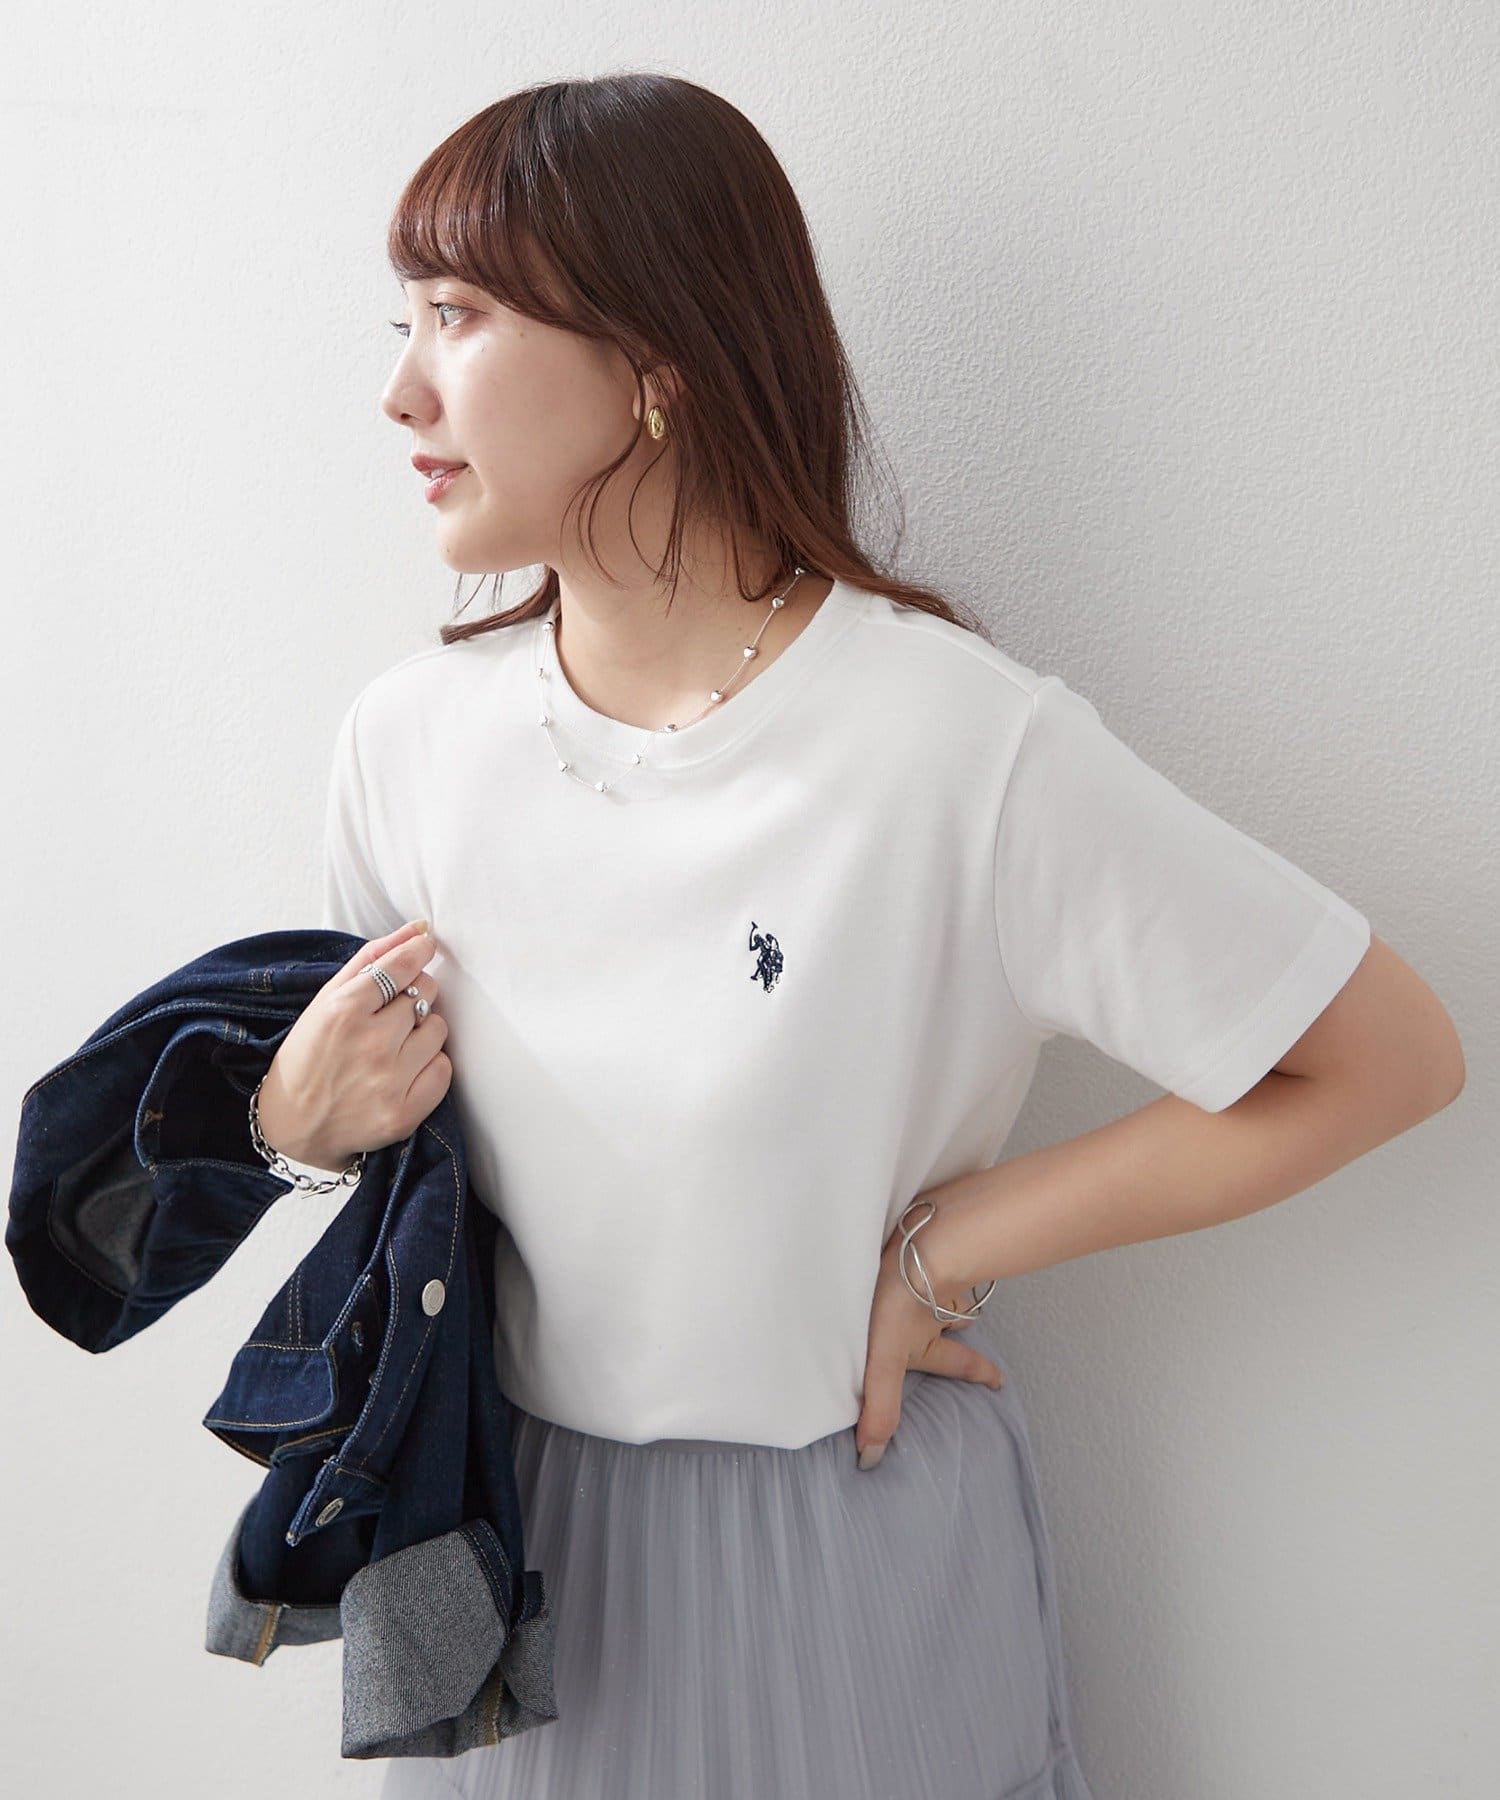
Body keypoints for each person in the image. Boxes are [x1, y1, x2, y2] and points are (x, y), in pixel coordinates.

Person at [256, 74, 1464, 1800]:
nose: (402, 389)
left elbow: (1387, 1057)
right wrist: (293, 1129)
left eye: (460, 315)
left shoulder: (956, 746)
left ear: (655, 358)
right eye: (408, 321)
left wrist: (955, 1243)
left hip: (837, 1548)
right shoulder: (408, 744)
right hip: (508, 1566)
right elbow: (410, 1187)